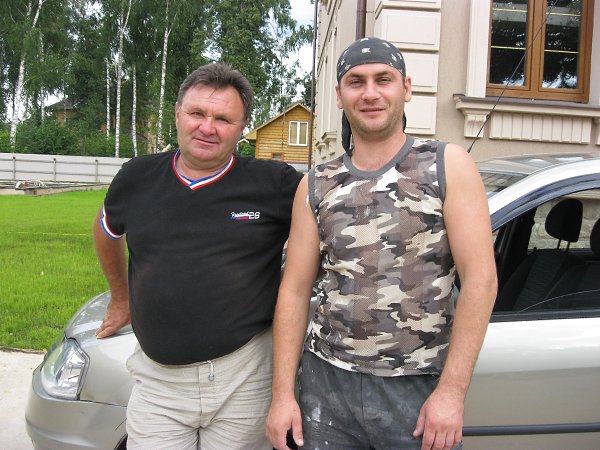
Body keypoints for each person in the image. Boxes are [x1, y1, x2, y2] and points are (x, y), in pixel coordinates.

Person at [266, 37, 497, 450]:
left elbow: (481, 280)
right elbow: (294, 290)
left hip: (417, 390)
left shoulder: (446, 165)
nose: (370, 93)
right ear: (340, 95)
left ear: (405, 88)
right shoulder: (316, 184)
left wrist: (451, 393)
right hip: (325, 386)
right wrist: (282, 395)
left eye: (383, 79)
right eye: (356, 82)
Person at [93, 62, 302, 449]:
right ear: (177, 114)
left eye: (223, 119)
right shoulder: (136, 177)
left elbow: (331, 227)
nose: (208, 127)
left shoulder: (276, 184)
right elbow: (106, 230)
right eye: (197, 113)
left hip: (245, 379)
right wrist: (121, 299)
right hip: (158, 385)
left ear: (243, 128)